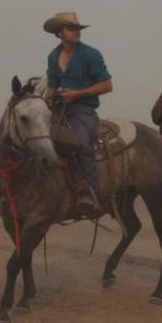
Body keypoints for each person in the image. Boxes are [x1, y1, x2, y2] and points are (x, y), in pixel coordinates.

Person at [43, 12, 113, 214]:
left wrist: (78, 93)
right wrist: (45, 103)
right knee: (36, 139)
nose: (77, 33)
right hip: (58, 109)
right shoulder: (53, 56)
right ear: (59, 33)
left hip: (83, 111)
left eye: (77, 29)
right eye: (72, 29)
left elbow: (107, 85)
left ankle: (89, 193)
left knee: (81, 144)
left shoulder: (91, 54)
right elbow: (52, 87)